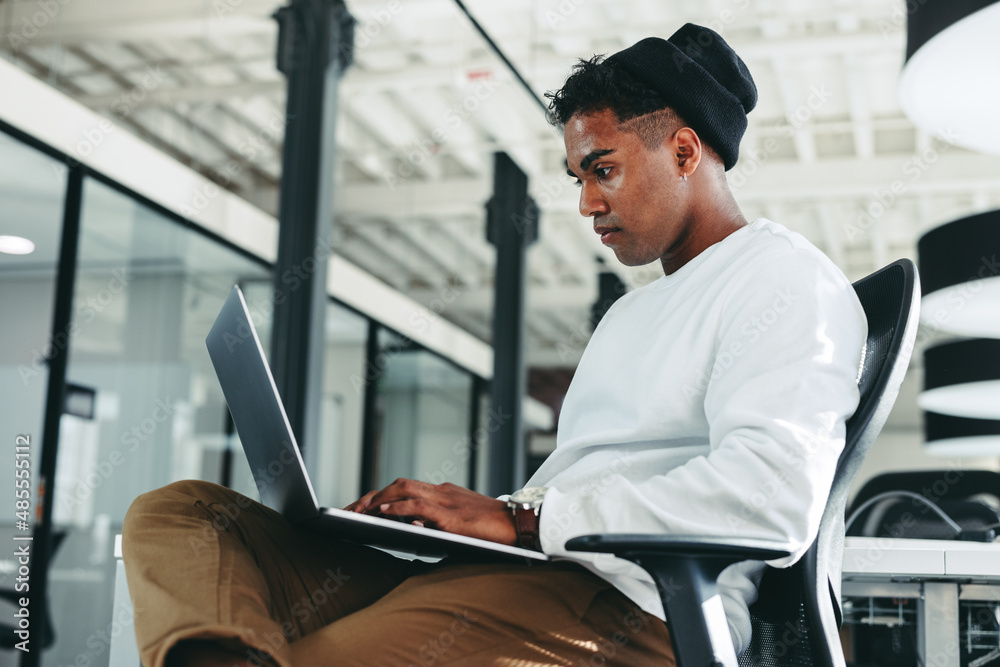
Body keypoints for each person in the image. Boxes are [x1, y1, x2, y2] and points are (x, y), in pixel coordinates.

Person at [122, 23, 866, 667]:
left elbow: (771, 499)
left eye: (602, 168)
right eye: (577, 176)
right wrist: (476, 514)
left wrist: (523, 520)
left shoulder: (785, 280)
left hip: (630, 612)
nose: (586, 203)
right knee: (183, 513)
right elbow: (582, 482)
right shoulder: (631, 316)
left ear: (682, 151)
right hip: (520, 575)